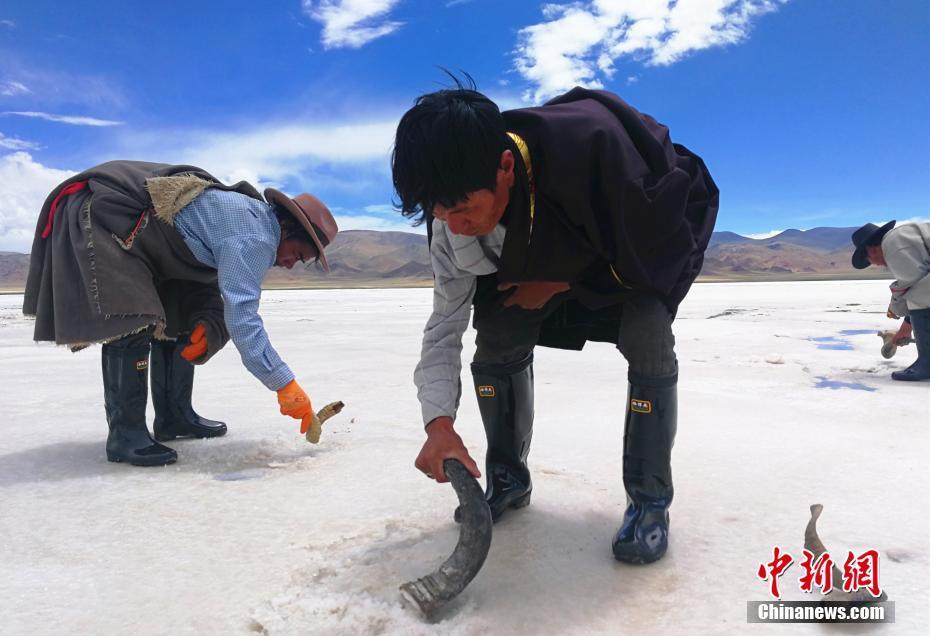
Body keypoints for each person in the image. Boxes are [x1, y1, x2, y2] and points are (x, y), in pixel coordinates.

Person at [391, 79, 718, 564]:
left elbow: (656, 248)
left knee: (649, 334)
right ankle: (508, 480)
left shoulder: (599, 154)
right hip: (532, 277)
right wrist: (438, 424)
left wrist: (560, 277)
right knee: (498, 334)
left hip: (627, 266)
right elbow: (445, 324)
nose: (454, 226)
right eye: (441, 214)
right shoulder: (448, 222)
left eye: (464, 211)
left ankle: (650, 502)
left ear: (505, 167)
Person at [24, 161, 338, 466]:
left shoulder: (250, 220)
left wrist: (207, 325)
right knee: (134, 318)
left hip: (148, 237)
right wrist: (284, 384)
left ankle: (174, 418)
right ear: (286, 227)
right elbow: (242, 317)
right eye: (297, 254)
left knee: (181, 314)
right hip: (110, 216)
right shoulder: (256, 236)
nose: (289, 264)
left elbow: (212, 289)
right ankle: (126, 436)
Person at [851, 220, 930, 381]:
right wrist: (907, 326)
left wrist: (897, 309)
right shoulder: (904, 236)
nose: (879, 265)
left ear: (871, 250)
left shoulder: (893, 244)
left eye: (870, 262)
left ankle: (927, 364)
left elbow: (915, 288)